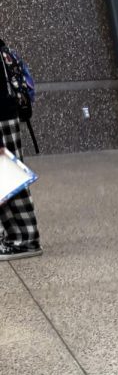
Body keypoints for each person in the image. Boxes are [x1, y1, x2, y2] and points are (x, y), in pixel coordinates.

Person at [0, 37, 39, 261]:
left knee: (11, 179)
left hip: (2, 119)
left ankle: (25, 239)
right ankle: (16, 236)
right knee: (5, 179)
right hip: (6, 115)